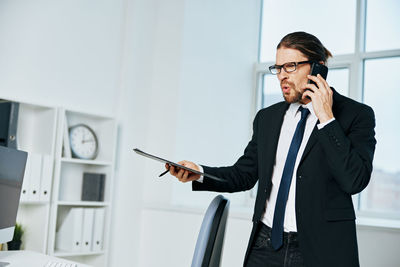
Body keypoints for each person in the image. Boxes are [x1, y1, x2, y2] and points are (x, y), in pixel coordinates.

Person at [167, 31, 376, 267]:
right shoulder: (267, 118)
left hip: (321, 250)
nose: (282, 77)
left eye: (291, 67)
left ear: (318, 68)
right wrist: (200, 172)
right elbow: (244, 175)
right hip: (265, 246)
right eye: (278, 68)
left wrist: (326, 118)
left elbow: (354, 181)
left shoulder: (356, 115)